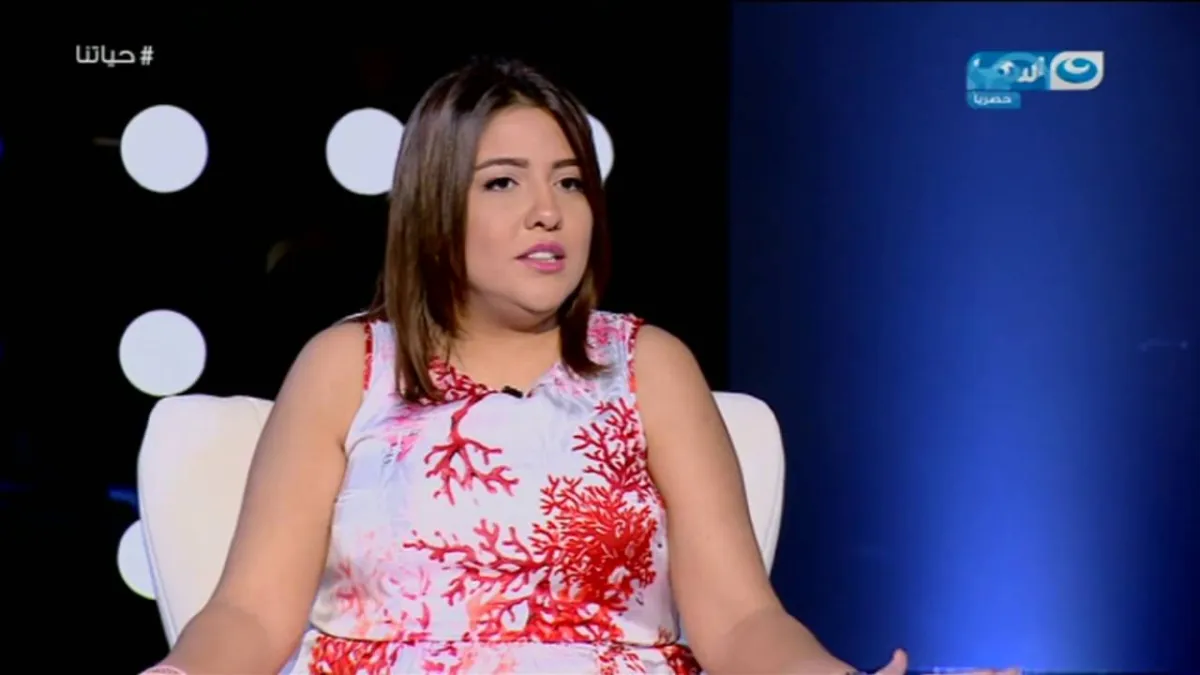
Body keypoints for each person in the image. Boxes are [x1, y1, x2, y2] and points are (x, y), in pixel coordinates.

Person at [143, 57, 1018, 675]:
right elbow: (251, 613)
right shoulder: (349, 364)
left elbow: (741, 619)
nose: (548, 213)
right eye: (503, 183)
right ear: (435, 207)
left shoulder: (651, 366)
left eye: (568, 182)